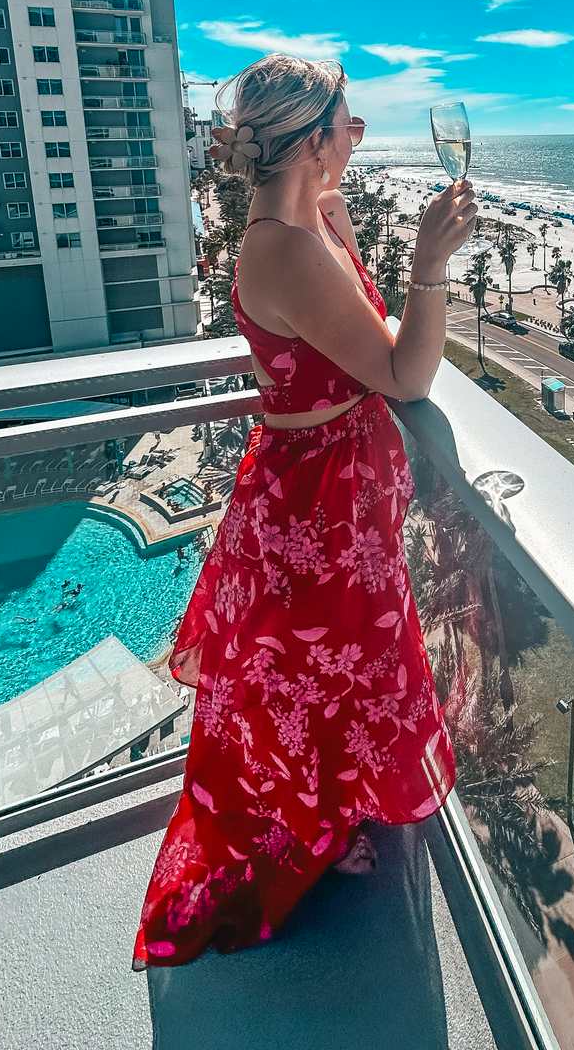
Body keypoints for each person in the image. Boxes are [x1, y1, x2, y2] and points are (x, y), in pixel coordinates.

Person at [135, 54, 477, 969]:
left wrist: (337, 208)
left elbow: (351, 332)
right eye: (348, 124)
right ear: (312, 138)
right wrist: (430, 263)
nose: (359, 137)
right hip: (320, 510)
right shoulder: (285, 249)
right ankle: (307, 838)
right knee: (325, 675)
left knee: (312, 681)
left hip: (310, 491)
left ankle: (321, 823)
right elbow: (404, 369)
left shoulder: (295, 226)